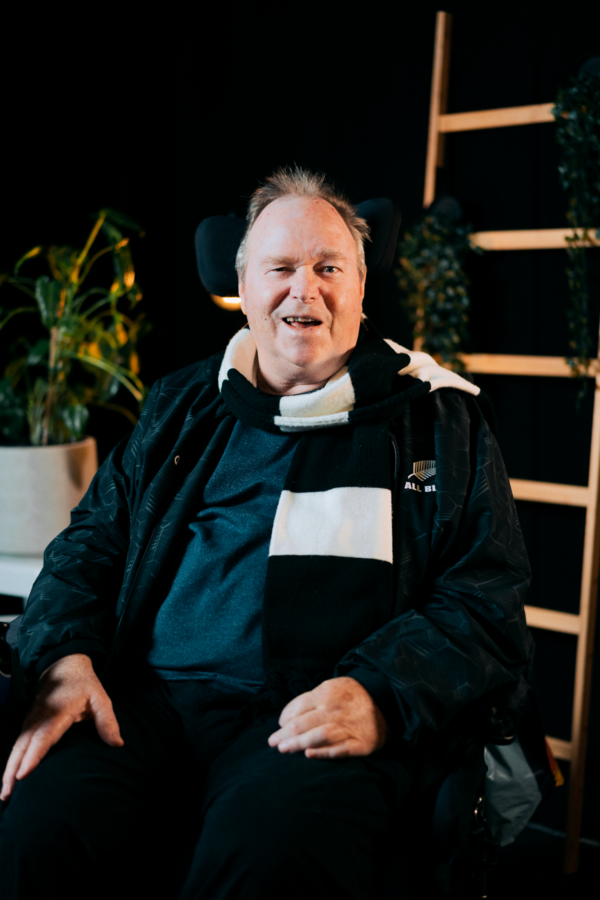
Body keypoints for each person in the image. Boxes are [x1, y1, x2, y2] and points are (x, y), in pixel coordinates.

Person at [0, 167, 531, 899]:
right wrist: (64, 657)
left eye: (328, 267)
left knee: (265, 853)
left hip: (316, 709)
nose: (303, 290)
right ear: (242, 288)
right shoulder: (184, 403)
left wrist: (381, 690)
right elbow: (88, 543)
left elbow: (485, 600)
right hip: (152, 702)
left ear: (362, 285)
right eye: (279, 268)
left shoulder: (439, 419)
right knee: (38, 826)